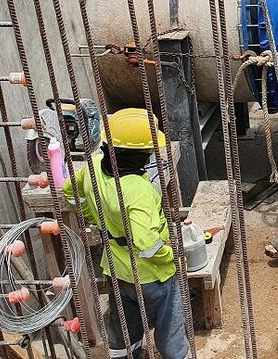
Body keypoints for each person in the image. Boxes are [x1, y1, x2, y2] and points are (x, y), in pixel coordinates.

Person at [63, 108, 187, 359]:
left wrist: (92, 215)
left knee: (124, 326)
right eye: (148, 152)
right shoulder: (138, 190)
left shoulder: (93, 166)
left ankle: (124, 355)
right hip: (151, 274)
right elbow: (147, 244)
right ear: (137, 156)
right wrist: (172, 257)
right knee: (169, 326)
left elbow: (70, 193)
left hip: (116, 268)